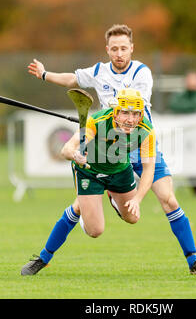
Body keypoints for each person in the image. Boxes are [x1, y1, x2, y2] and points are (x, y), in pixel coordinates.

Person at [22, 24, 196, 275]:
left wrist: (109, 115)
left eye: (124, 48)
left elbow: (133, 105)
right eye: (114, 49)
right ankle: (44, 257)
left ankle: (194, 262)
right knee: (83, 208)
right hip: (108, 144)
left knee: (168, 199)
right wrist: (45, 74)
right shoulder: (99, 71)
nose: (119, 53)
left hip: (138, 139)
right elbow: (73, 79)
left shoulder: (142, 73)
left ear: (132, 48)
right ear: (107, 50)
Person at [21, 88, 156, 275]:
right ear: (116, 112)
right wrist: (75, 155)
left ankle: (107, 197)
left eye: (135, 114)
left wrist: (138, 199)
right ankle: (43, 258)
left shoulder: (145, 130)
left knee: (133, 218)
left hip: (120, 171)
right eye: (125, 112)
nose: (130, 119)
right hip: (90, 171)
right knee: (95, 231)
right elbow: (66, 149)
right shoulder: (97, 121)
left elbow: (149, 169)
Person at [168, 71, 196, 196]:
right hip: (181, 134)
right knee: (179, 160)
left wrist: (187, 108)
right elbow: (175, 106)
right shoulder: (179, 95)